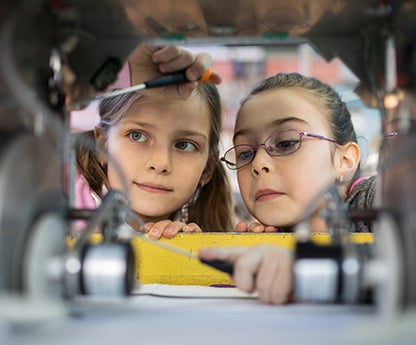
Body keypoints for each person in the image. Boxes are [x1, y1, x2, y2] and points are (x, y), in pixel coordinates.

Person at [199, 72, 378, 304]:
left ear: (344, 160)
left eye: (286, 143)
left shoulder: (377, 199)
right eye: (244, 152)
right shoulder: (256, 237)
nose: (258, 164)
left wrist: (306, 266)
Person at [74, 44, 234, 239]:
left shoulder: (203, 239)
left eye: (184, 145)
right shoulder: (60, 199)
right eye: (137, 135)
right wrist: (123, 72)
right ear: (102, 145)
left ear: (208, 167)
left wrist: (185, 253)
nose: (160, 164)